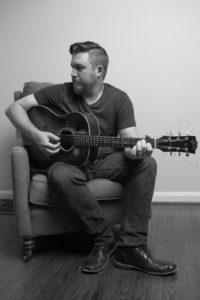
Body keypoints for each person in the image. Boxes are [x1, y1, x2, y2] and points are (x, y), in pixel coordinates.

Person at [6, 41, 177, 275]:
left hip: (105, 163)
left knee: (147, 162)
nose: (72, 73)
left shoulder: (119, 99)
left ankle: (132, 247)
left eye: (79, 68)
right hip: (68, 165)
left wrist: (138, 150)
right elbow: (13, 108)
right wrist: (36, 136)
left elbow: (130, 142)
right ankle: (103, 239)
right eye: (72, 67)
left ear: (99, 71)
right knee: (58, 173)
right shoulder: (58, 92)